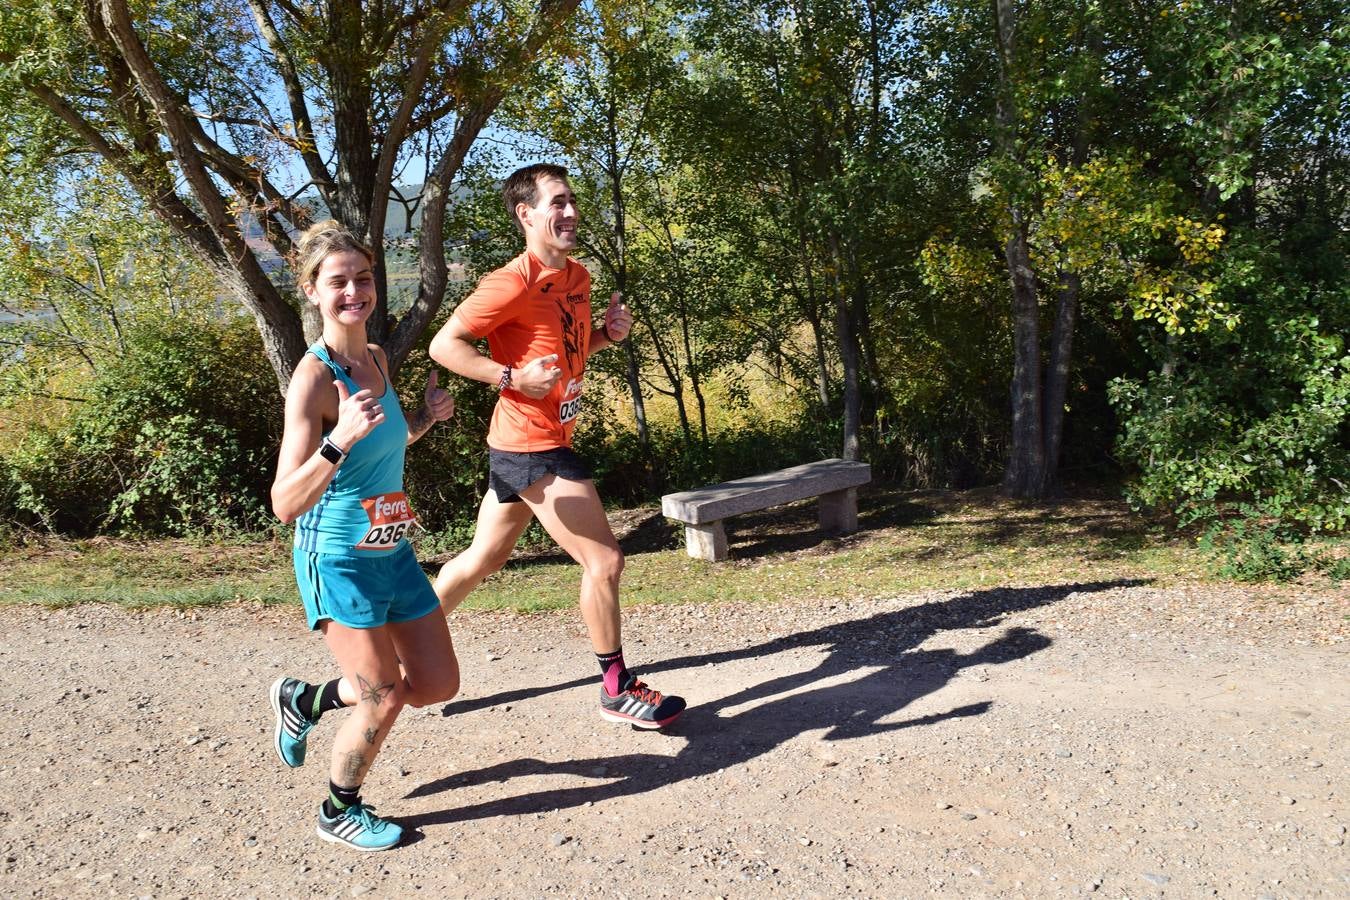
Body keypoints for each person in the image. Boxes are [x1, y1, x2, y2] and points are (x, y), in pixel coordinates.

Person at [428, 163, 684, 729]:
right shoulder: (509, 282)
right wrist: (509, 378)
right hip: (530, 443)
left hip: (526, 442)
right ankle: (616, 688)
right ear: (526, 215)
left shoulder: (578, 278)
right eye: (557, 203)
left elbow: (570, 349)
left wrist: (605, 335)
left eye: (571, 201)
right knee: (605, 559)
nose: (569, 213)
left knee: (482, 560)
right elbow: (444, 346)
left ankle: (407, 641)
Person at [268, 221, 458, 851]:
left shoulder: (375, 357)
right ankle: (338, 810)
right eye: (339, 281)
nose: (355, 291)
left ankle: (307, 699)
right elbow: (285, 502)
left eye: (364, 278)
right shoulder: (315, 380)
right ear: (314, 292)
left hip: (392, 550)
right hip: (336, 558)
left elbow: (384, 447)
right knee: (382, 695)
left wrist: (424, 420)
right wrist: (336, 439)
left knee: (433, 685)